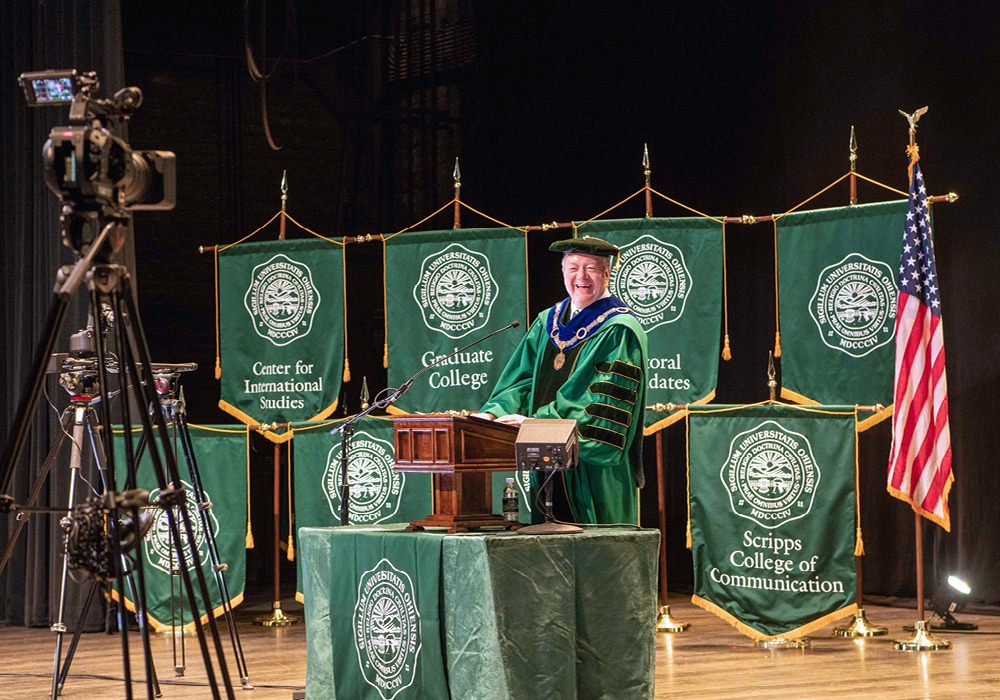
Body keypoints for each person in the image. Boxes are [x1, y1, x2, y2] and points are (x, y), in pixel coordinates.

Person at [477, 236, 648, 524]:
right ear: (562, 271)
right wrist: (493, 413)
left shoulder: (619, 329)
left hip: (592, 469)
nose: (581, 277)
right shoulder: (547, 321)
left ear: (607, 273)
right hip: (542, 459)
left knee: (595, 554)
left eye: (591, 268)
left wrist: (537, 424)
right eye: (573, 267)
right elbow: (521, 380)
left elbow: (597, 404)